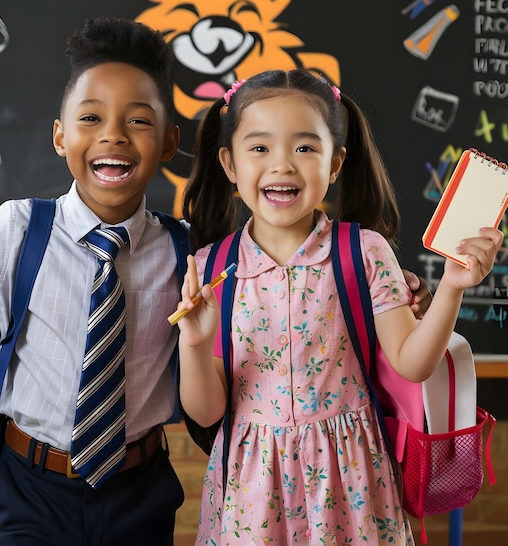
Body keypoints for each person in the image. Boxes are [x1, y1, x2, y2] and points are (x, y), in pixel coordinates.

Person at [0, 16, 185, 546]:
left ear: (168, 142)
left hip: (140, 488)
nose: (112, 133)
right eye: (90, 117)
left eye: (138, 121)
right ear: (59, 135)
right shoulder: (18, 229)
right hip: (32, 489)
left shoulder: (188, 249)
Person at [174, 69, 502, 545]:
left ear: (335, 163)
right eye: (259, 148)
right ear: (229, 163)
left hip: (351, 482)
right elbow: (205, 413)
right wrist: (195, 344)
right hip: (250, 490)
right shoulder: (211, 268)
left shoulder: (364, 252)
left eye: (305, 148)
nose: (282, 165)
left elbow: (412, 363)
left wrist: (452, 285)